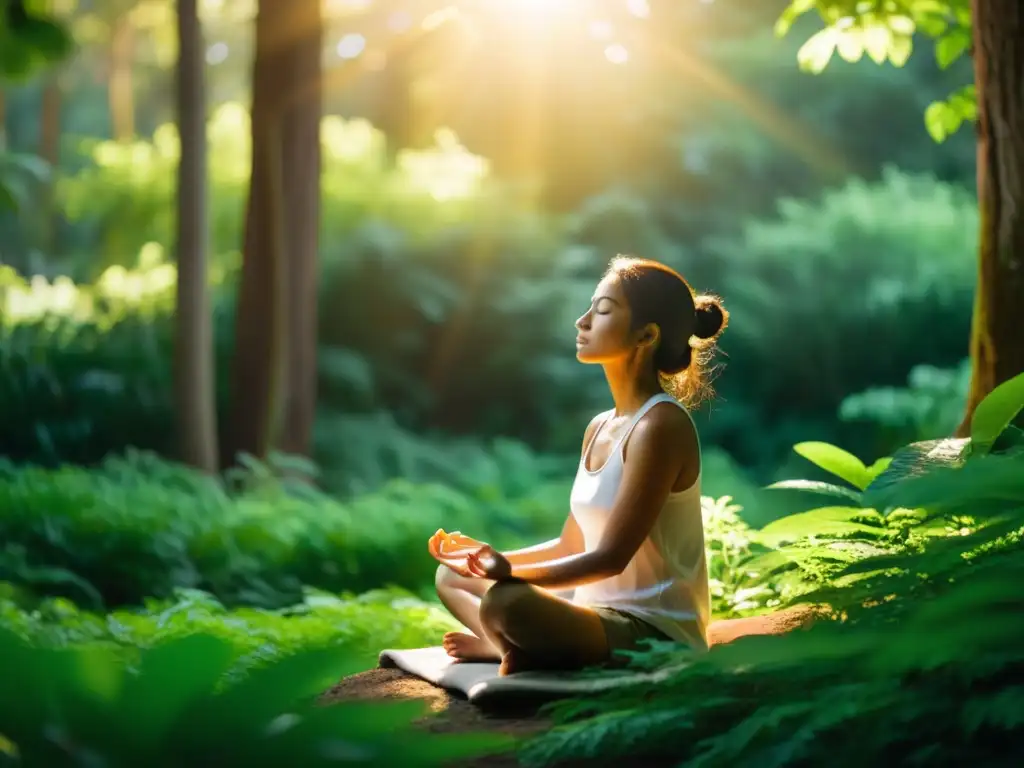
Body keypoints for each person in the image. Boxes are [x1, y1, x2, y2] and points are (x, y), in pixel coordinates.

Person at [428, 255, 728, 676]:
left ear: (646, 336)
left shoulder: (661, 425)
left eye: (602, 310)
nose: (582, 321)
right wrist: (483, 561)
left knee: (505, 600)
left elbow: (609, 558)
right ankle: (508, 646)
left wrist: (508, 571)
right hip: (593, 614)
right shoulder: (599, 427)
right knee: (451, 577)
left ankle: (505, 645)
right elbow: (573, 545)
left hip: (651, 632)